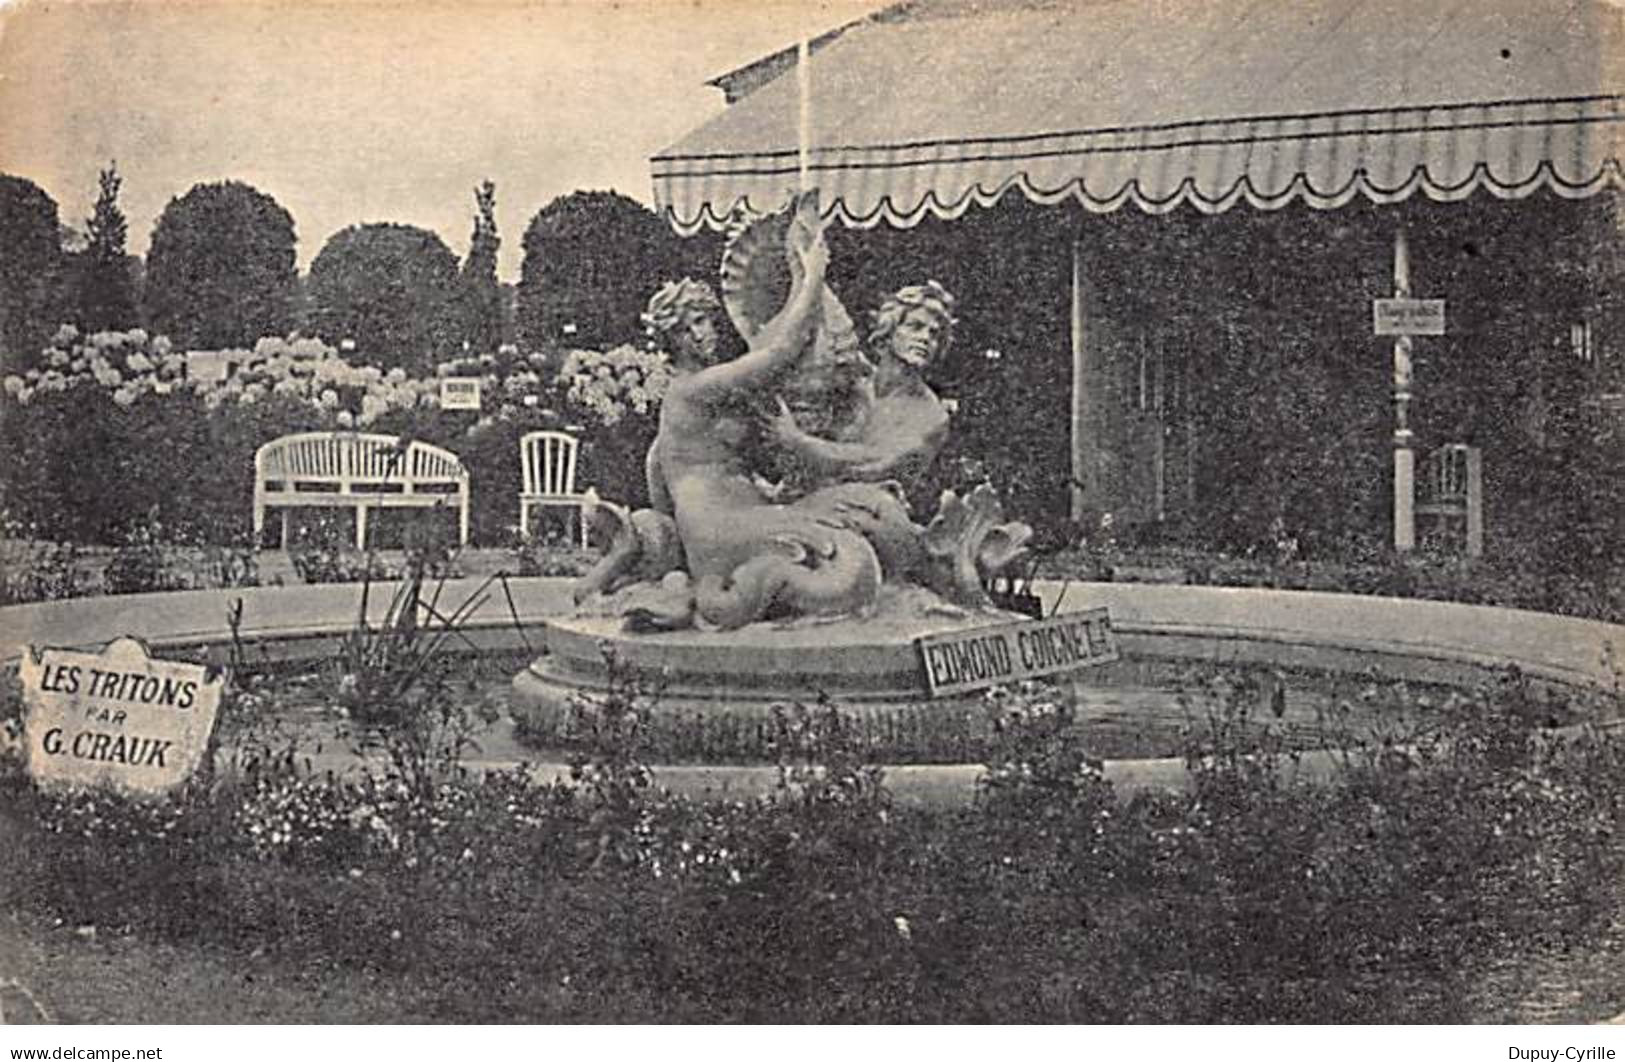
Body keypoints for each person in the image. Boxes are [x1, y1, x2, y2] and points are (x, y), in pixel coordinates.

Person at [766, 280, 955, 498]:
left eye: (934, 335)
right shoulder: (854, 382)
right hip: (811, 496)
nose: (925, 338)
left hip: (870, 510)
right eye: (915, 327)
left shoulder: (932, 415)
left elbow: (876, 462)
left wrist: (798, 441)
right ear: (890, 329)